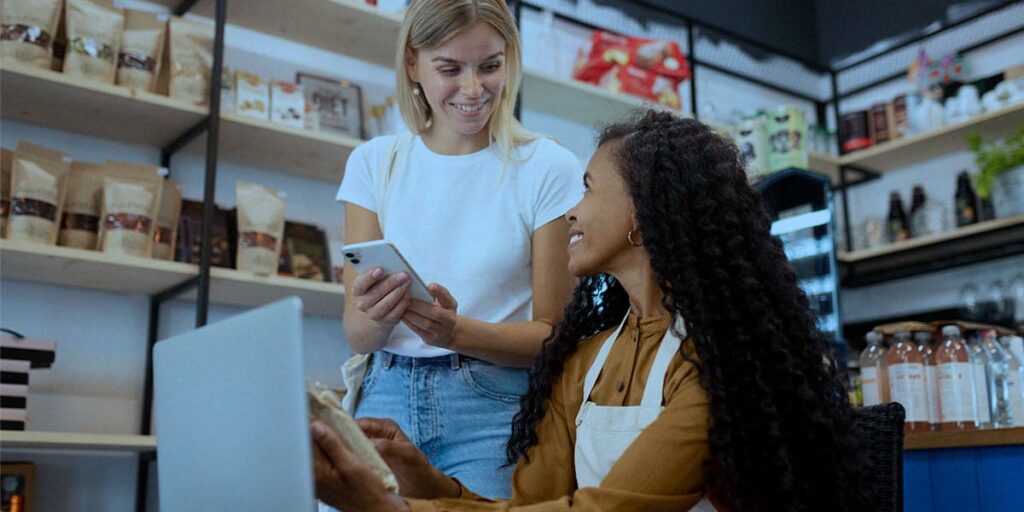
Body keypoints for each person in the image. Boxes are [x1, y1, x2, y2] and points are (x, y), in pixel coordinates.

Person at [314, 111, 871, 511]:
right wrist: (424, 478)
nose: (571, 212)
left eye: (586, 189)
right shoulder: (586, 359)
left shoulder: (716, 366)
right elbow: (534, 503)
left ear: (642, 214)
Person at [336, 0, 581, 498]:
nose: (474, 89)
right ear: (412, 64)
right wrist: (380, 316)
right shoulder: (374, 164)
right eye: (450, 69)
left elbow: (555, 337)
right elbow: (358, 335)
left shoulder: (546, 167)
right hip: (383, 396)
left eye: (490, 66)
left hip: (494, 406)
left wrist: (456, 331)